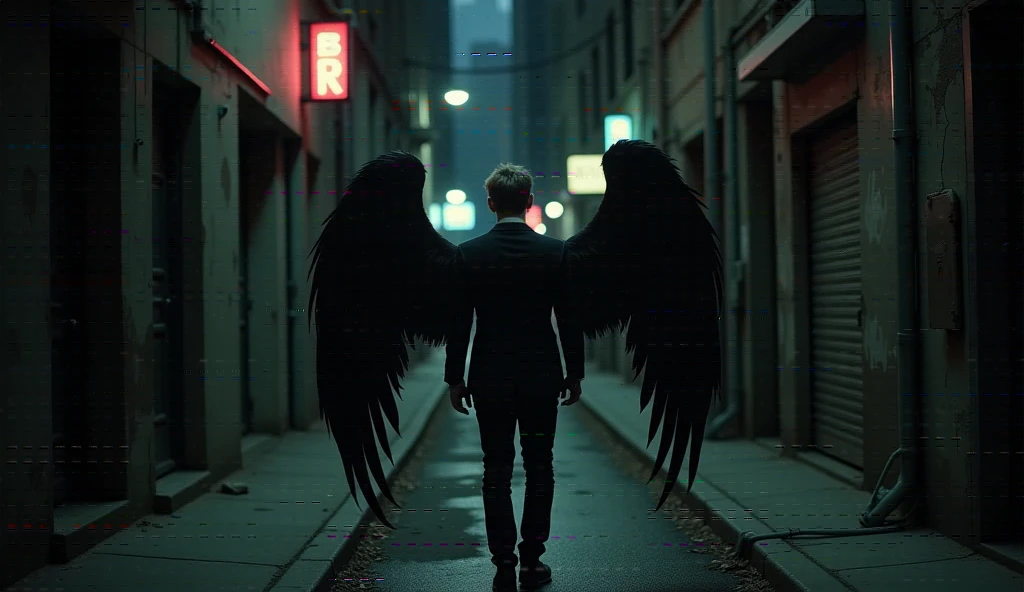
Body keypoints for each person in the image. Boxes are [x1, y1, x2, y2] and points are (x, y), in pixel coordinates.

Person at [444, 163, 585, 592]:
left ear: (490, 204)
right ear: (529, 201)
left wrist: (455, 378)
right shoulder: (555, 253)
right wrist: (573, 372)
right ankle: (531, 559)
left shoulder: (468, 254)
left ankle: (502, 559)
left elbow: (459, 322)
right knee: (540, 466)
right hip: (541, 375)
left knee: (496, 469)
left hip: (490, 376)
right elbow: (569, 318)